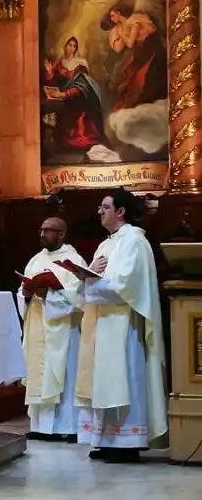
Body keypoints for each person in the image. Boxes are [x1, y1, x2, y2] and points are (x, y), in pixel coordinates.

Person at [71, 189, 167, 463]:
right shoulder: (107, 244)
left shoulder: (134, 241)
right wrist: (85, 275)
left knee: (124, 379)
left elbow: (125, 285)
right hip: (103, 323)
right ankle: (106, 440)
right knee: (103, 382)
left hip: (124, 327)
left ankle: (128, 442)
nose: (99, 211)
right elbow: (94, 281)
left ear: (120, 211)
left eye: (105, 207)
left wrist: (90, 279)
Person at [16, 217, 85, 443]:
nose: (43, 234)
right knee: (38, 373)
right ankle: (41, 427)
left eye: (49, 230)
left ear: (61, 234)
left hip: (62, 328)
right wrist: (26, 295)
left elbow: (78, 298)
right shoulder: (35, 260)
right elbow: (22, 291)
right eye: (42, 229)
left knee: (64, 376)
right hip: (37, 325)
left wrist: (49, 295)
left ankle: (69, 427)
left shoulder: (73, 261)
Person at [42, 36, 108, 156]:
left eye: (74, 46)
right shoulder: (59, 62)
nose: (71, 48)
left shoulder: (80, 63)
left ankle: (78, 134)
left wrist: (64, 94)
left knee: (78, 104)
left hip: (77, 96)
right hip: (62, 96)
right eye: (69, 45)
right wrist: (50, 72)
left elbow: (82, 85)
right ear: (64, 46)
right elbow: (52, 81)